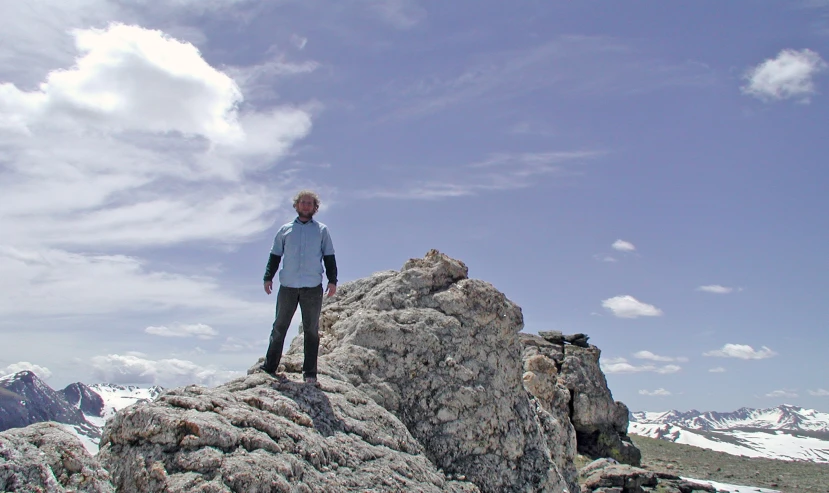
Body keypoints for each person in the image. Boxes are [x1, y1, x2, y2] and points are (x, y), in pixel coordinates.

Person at [261, 190, 337, 386]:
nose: (305, 206)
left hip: (312, 287)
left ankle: (310, 373)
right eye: (302, 202)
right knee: (279, 326)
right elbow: (275, 255)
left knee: (311, 330)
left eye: (309, 203)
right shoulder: (285, 230)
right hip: (288, 285)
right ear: (296, 206)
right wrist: (268, 277)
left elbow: (329, 256)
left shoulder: (321, 230)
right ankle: (270, 367)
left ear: (315, 208)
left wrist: (332, 280)